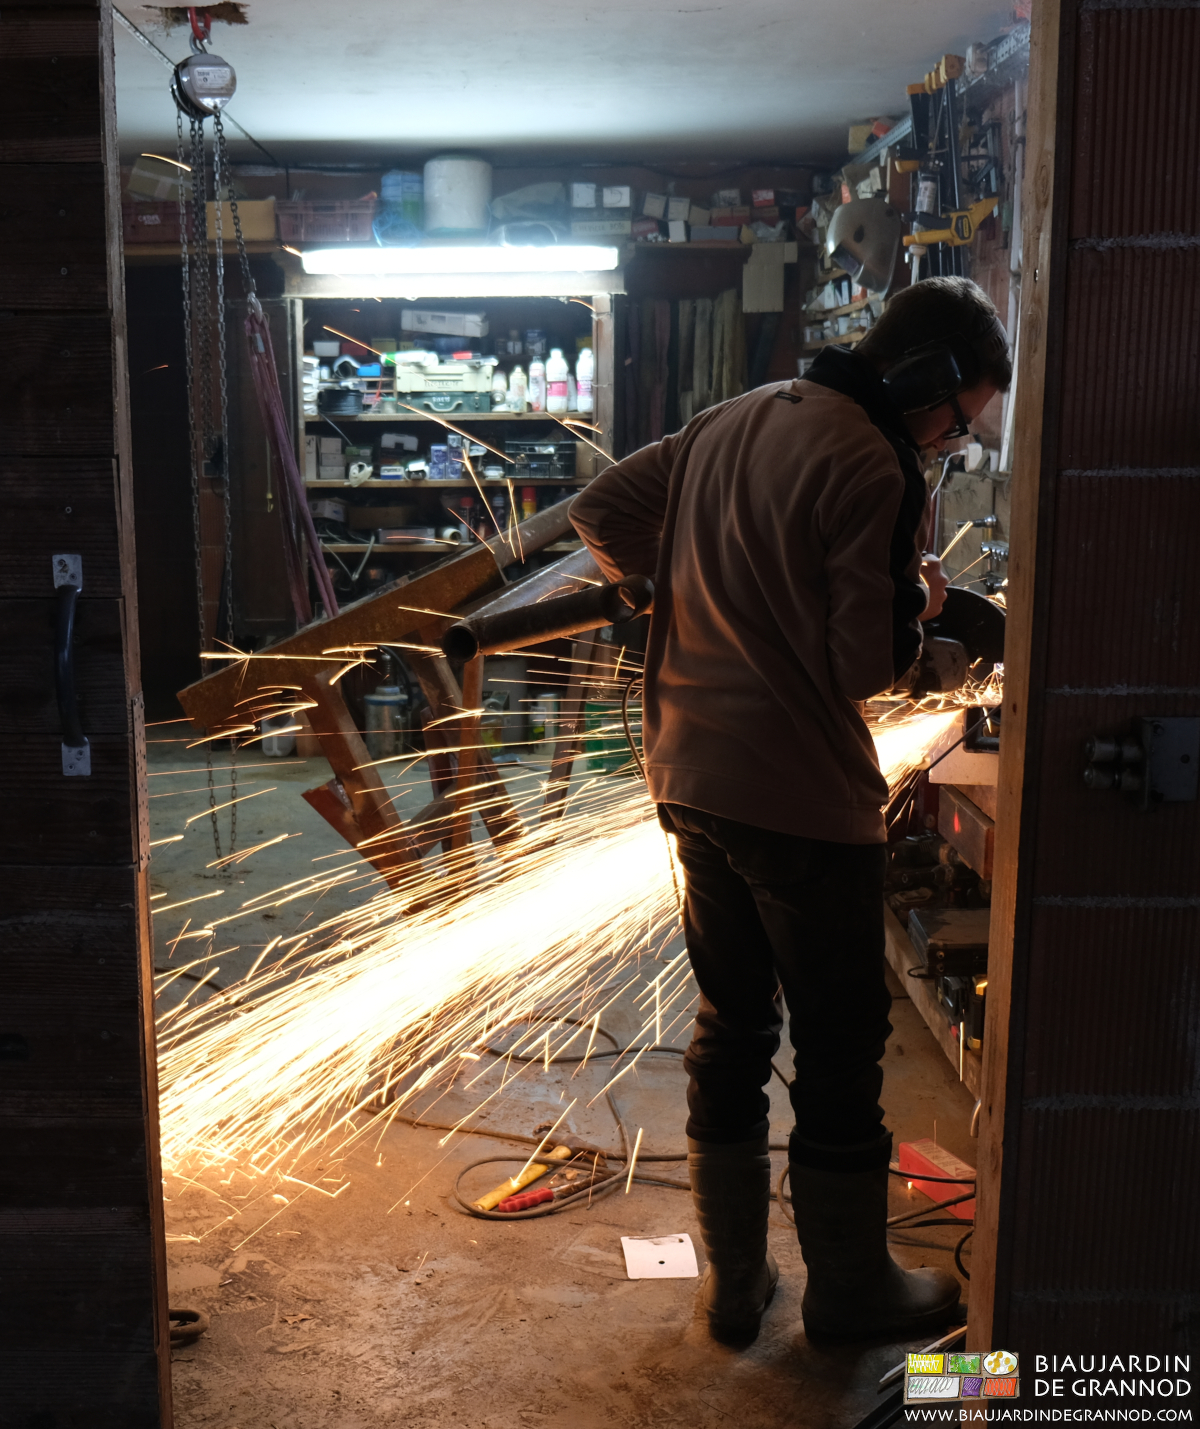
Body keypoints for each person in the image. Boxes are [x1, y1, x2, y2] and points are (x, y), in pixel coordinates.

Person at [570, 277, 1011, 1345]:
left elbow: (604, 511)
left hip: (687, 771)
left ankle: (732, 1284)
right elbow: (865, 661)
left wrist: (675, 585)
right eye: (960, 421)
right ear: (927, 384)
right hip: (799, 796)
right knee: (840, 1038)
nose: (956, 443)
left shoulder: (737, 415)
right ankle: (851, 1288)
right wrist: (941, 638)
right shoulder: (877, 461)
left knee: (730, 1025)